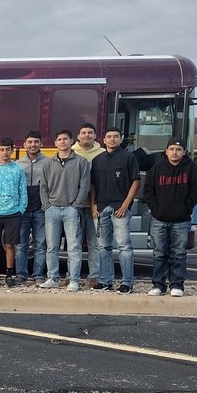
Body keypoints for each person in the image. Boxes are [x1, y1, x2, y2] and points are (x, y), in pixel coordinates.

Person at [143, 137, 197, 297]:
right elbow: (148, 191)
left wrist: (186, 209)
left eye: (178, 150)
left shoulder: (192, 168)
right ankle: (158, 285)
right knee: (159, 253)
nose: (174, 152)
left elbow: (195, 192)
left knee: (178, 253)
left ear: (184, 152)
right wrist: (155, 209)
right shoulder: (157, 168)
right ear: (166, 151)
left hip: (181, 220)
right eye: (171, 149)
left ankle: (177, 285)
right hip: (159, 219)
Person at [90, 127, 140, 294]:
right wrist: (92, 205)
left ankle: (127, 283)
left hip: (120, 209)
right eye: (109, 137)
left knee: (124, 246)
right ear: (103, 140)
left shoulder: (128, 157)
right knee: (103, 246)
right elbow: (93, 185)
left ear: (121, 139)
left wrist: (126, 205)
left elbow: (135, 181)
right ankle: (105, 281)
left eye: (115, 137)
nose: (112, 139)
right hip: (102, 208)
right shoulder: (97, 160)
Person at [38, 128, 90, 292]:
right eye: (59, 139)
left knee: (74, 247)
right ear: (55, 143)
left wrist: (77, 205)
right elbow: (43, 186)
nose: (62, 141)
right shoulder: (48, 163)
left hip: (71, 209)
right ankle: (52, 277)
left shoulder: (81, 162)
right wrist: (46, 205)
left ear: (71, 141)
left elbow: (85, 185)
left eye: (65, 139)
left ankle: (74, 279)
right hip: (52, 209)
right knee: (51, 246)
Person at [0, 138, 27, 288]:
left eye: (8, 149)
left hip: (13, 213)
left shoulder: (18, 169)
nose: (5, 152)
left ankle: (9, 274)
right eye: (2, 149)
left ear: (12, 151)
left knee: (10, 245)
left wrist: (21, 209)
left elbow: (23, 191)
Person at [72, 122, 104, 287]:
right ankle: (72, 276)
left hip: (95, 206)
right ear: (78, 136)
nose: (86, 135)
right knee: (74, 243)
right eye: (83, 133)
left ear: (95, 135)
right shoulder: (71, 153)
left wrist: (95, 204)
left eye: (90, 133)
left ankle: (94, 276)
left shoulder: (102, 153)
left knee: (94, 243)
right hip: (74, 206)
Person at [15, 130, 48, 285]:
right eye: (30, 142)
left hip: (41, 209)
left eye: (36, 142)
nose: (33, 145)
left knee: (41, 244)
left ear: (41, 143)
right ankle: (21, 274)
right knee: (21, 245)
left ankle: (38, 274)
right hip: (23, 210)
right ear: (24, 145)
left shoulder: (48, 162)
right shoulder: (17, 164)